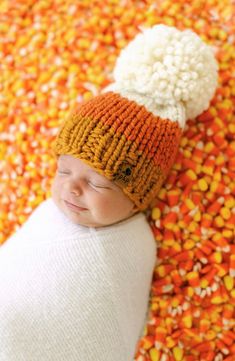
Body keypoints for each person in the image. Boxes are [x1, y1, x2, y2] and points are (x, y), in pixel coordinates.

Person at [0, 24, 218, 361]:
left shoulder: (132, 246)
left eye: (97, 182)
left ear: (136, 199)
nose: (71, 186)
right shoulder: (47, 214)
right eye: (63, 170)